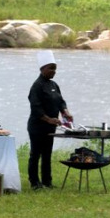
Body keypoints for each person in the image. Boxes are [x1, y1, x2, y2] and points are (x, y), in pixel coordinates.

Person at [27, 50, 73, 190]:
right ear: (42, 69)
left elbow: (60, 101)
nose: (53, 71)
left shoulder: (54, 85)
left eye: (55, 69)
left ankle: (47, 181)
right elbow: (36, 108)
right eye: (51, 68)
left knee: (47, 154)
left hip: (50, 127)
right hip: (37, 126)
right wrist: (49, 119)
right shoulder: (37, 86)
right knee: (36, 154)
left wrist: (65, 112)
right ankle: (34, 182)